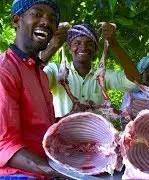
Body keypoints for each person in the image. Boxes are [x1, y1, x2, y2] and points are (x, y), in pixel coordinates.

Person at [0, 0, 65, 179]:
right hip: (16, 175)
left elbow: (41, 126)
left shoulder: (40, 74)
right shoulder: (4, 71)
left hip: (42, 169)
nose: (46, 22)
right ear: (16, 20)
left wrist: (74, 122)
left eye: (52, 20)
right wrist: (61, 172)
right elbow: (4, 146)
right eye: (37, 14)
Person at [41, 22, 141, 117]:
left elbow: (135, 81)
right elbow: (32, 79)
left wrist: (113, 43)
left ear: (96, 50)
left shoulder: (103, 75)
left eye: (89, 43)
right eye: (77, 43)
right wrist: (53, 46)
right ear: (69, 49)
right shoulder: (54, 70)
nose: (83, 47)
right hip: (62, 134)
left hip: (96, 134)